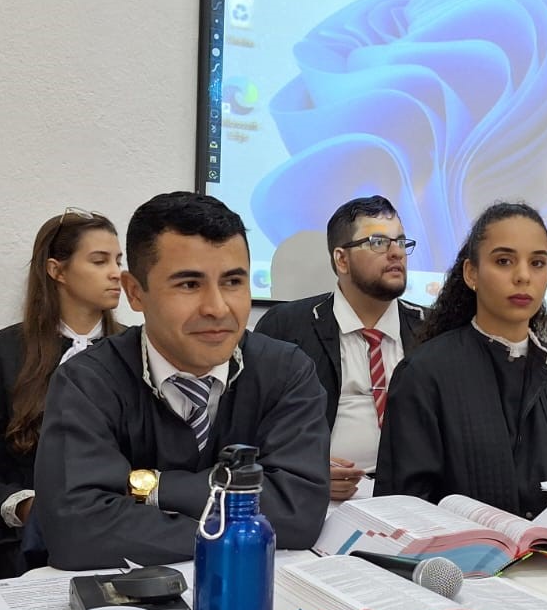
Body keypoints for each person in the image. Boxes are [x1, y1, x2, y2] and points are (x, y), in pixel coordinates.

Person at [34, 191, 329, 569]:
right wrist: (240, 529)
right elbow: (78, 531)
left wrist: (150, 487)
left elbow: (297, 512)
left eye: (233, 281)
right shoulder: (87, 381)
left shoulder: (286, 371)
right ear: (135, 292)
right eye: (189, 284)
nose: (217, 308)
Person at [0, 208, 124, 610]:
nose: (116, 274)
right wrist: (28, 507)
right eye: (99, 261)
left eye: (119, 261)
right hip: (21, 550)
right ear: (57, 270)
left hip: (123, 542)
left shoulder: (135, 353)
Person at [374, 201, 547, 517]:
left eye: (537, 263)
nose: (523, 276)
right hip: (460, 549)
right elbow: (401, 510)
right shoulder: (423, 374)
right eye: (504, 261)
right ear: (471, 273)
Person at [253, 195, 426, 501]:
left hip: (413, 496)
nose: (396, 252)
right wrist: (307, 471)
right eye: (378, 242)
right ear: (341, 259)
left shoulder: (432, 329)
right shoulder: (287, 327)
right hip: (322, 499)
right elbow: (255, 429)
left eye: (400, 241)